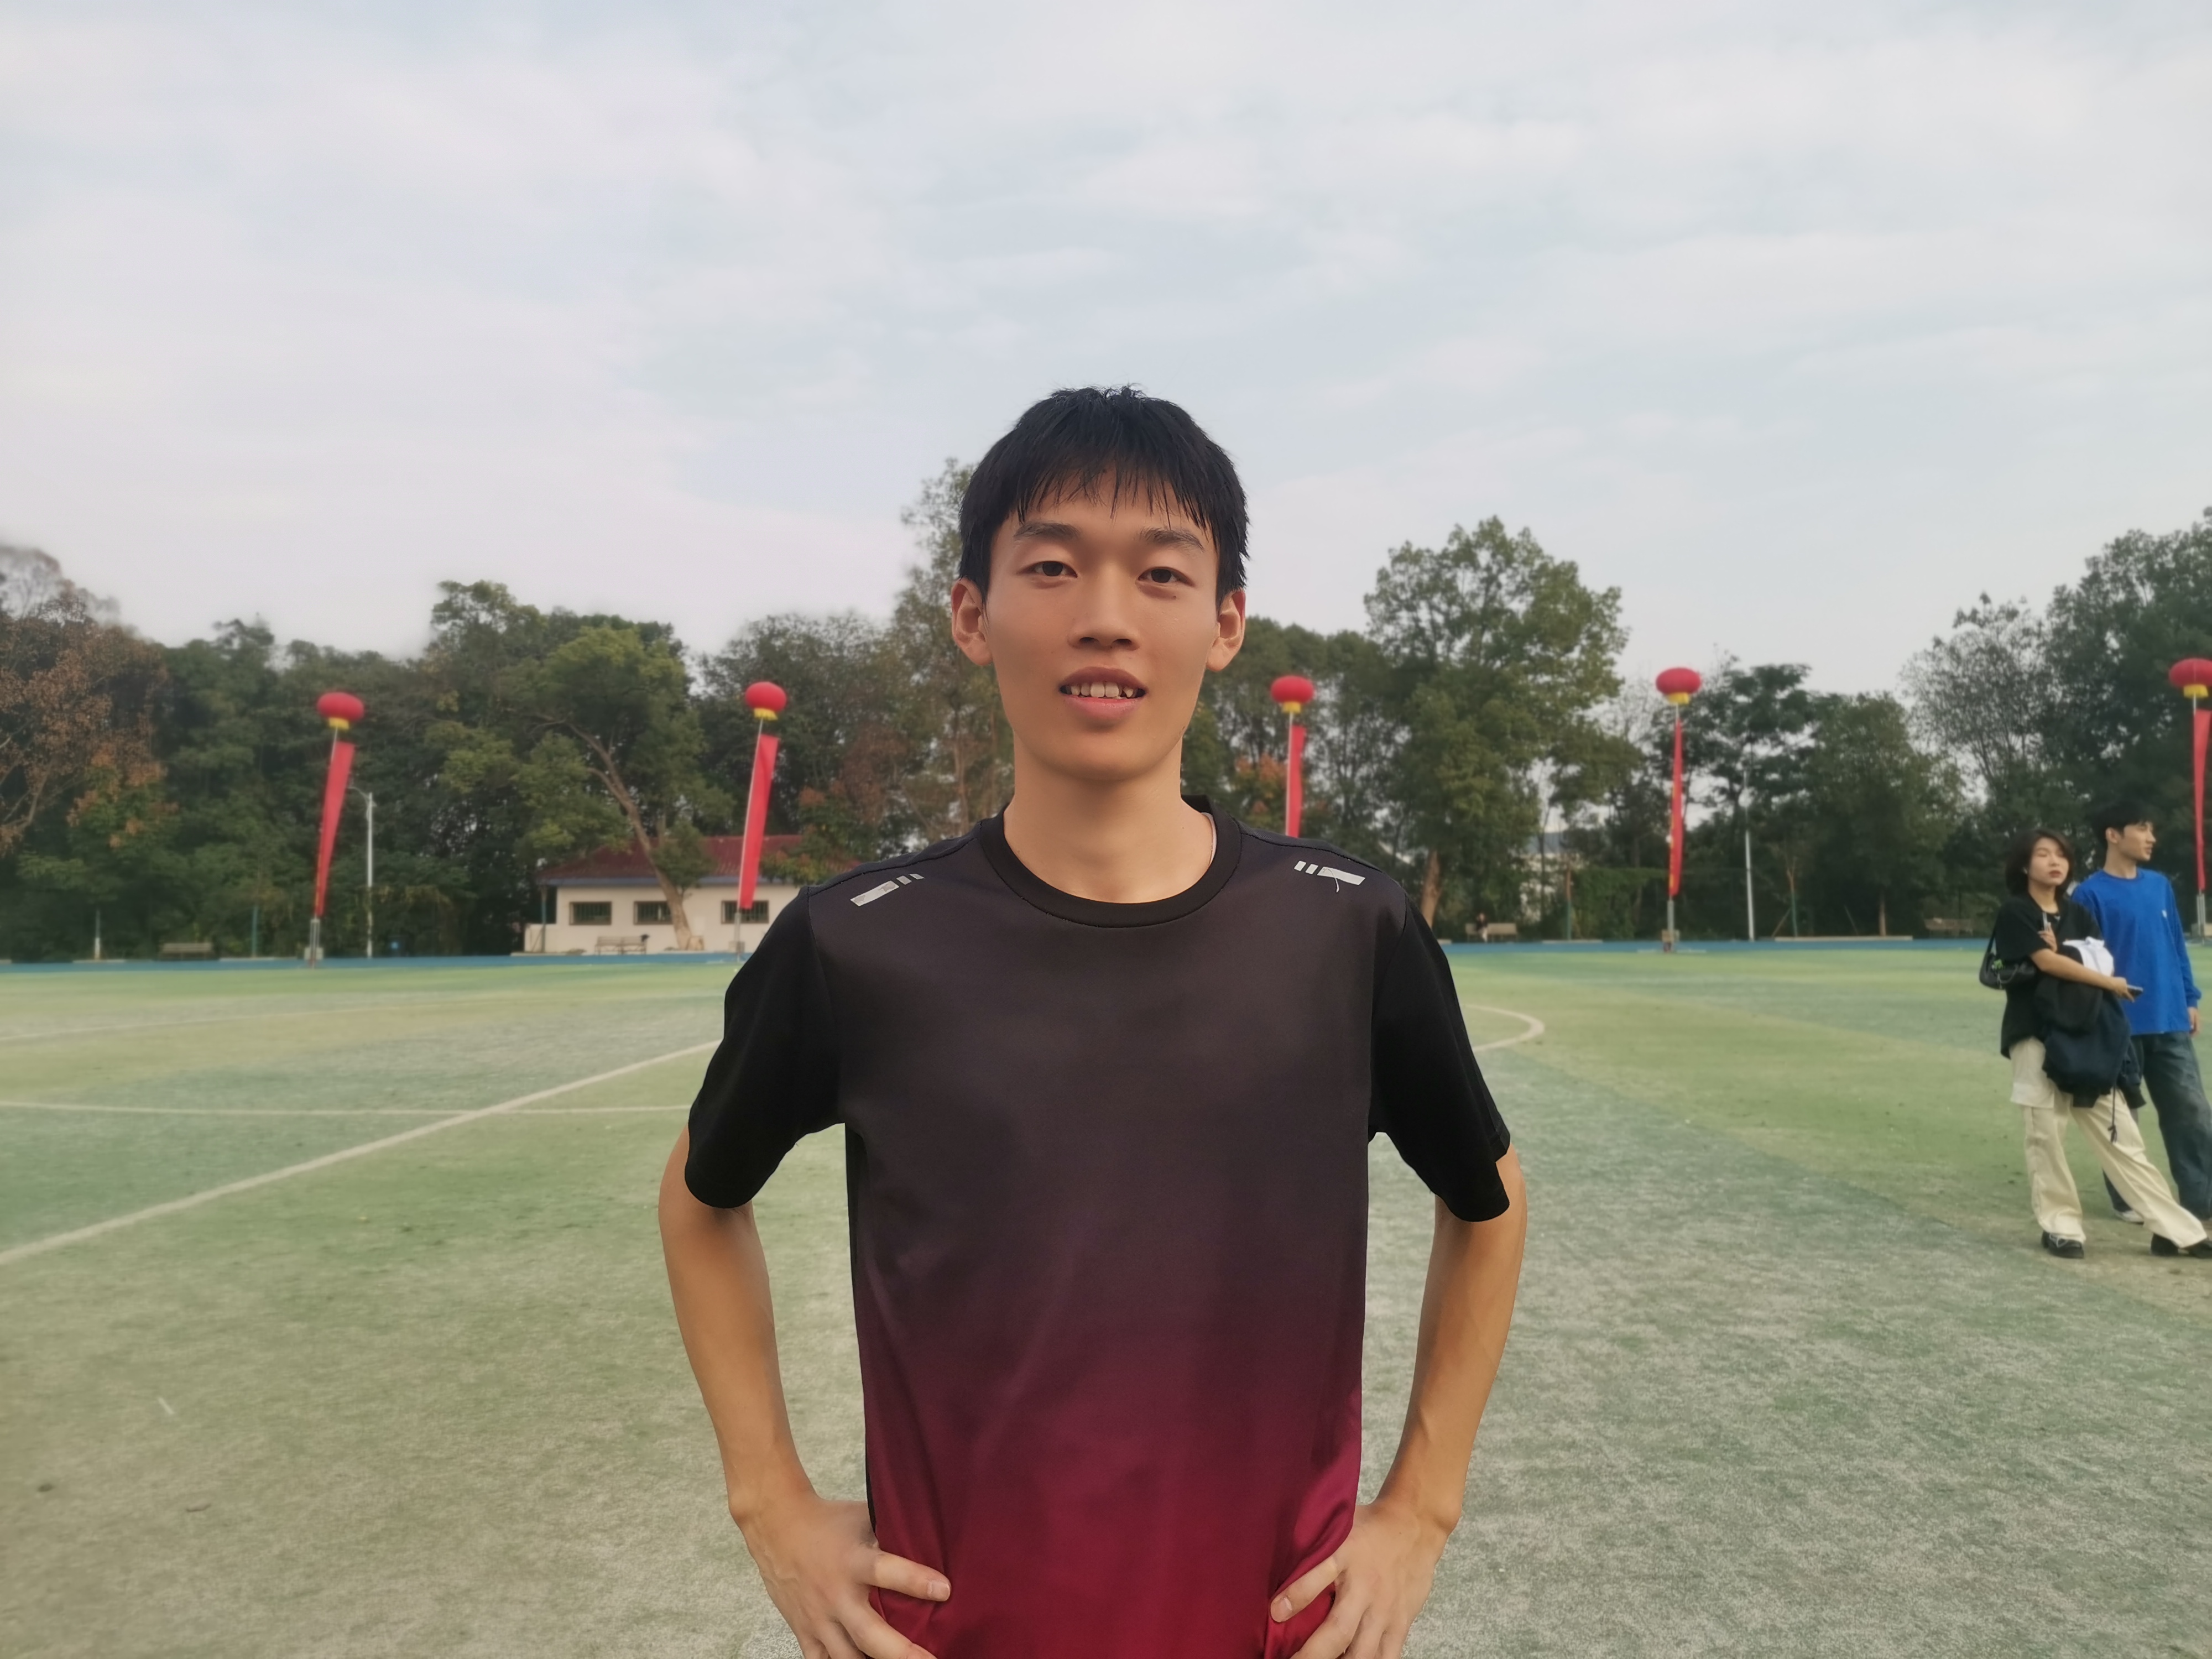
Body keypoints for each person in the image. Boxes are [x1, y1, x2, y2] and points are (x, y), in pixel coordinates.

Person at [659, 387, 1528, 1659]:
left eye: (1160, 573)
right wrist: (769, 1502)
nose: (1105, 615)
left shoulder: (1346, 929)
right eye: (1052, 566)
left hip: (1271, 1633)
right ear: (972, 613)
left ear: (1224, 621)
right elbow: (699, 1199)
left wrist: (1421, 1509)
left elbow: (1487, 1203)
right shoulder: (859, 943)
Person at [1987, 828, 2210, 1260]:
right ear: (2024, 865)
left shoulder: (2078, 912)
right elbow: (2049, 963)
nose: (2055, 862)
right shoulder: (2016, 912)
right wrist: (2101, 978)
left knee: (2122, 1135)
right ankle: (2061, 1227)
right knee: (2046, 1134)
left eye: (2061, 855)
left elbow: (2098, 959)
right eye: (2043, 855)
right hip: (2034, 1034)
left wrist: (2073, 960)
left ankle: (2176, 1229)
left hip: (2085, 1032)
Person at [2075, 798, 2212, 1225]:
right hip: (2118, 1023)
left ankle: (2202, 1199)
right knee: (2123, 1118)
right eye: (2143, 828)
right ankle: (2128, 1198)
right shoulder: (2089, 894)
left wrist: (2189, 997)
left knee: (2191, 1111)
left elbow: (2175, 945)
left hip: (2170, 1018)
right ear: (2113, 835)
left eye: (2152, 829)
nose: (2152, 838)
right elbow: (2085, 962)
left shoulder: (2160, 886)